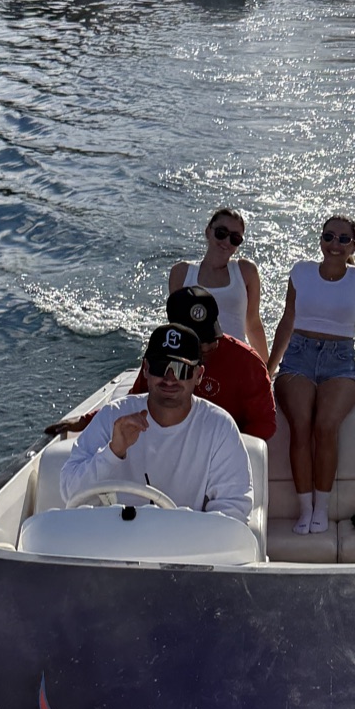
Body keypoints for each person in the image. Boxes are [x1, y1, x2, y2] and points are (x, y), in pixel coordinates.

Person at [268, 216, 355, 535]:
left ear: (354, 246)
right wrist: (268, 369)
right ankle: (304, 509)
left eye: (343, 239)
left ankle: (321, 507)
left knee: (325, 427)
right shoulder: (300, 272)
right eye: (329, 236)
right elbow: (287, 320)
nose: (335, 244)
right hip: (298, 357)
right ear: (321, 240)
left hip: (340, 361)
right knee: (301, 425)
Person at [59, 324, 252, 521]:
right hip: (112, 544)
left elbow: (233, 512)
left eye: (181, 369)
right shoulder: (112, 416)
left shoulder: (219, 427)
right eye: (161, 367)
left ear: (199, 375)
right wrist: (113, 452)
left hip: (185, 547)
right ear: (146, 369)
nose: (170, 379)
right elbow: (69, 493)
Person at [127, 289, 276, 440]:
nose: (205, 348)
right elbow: (136, 403)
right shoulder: (158, 359)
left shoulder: (248, 363)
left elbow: (263, 423)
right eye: (196, 342)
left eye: (210, 338)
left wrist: (226, 446)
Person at [169, 209, 269, 361]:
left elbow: (253, 324)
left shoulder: (246, 271)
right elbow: (176, 326)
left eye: (235, 238)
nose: (227, 242)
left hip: (235, 359)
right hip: (193, 362)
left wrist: (265, 372)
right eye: (221, 233)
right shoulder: (181, 272)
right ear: (208, 231)